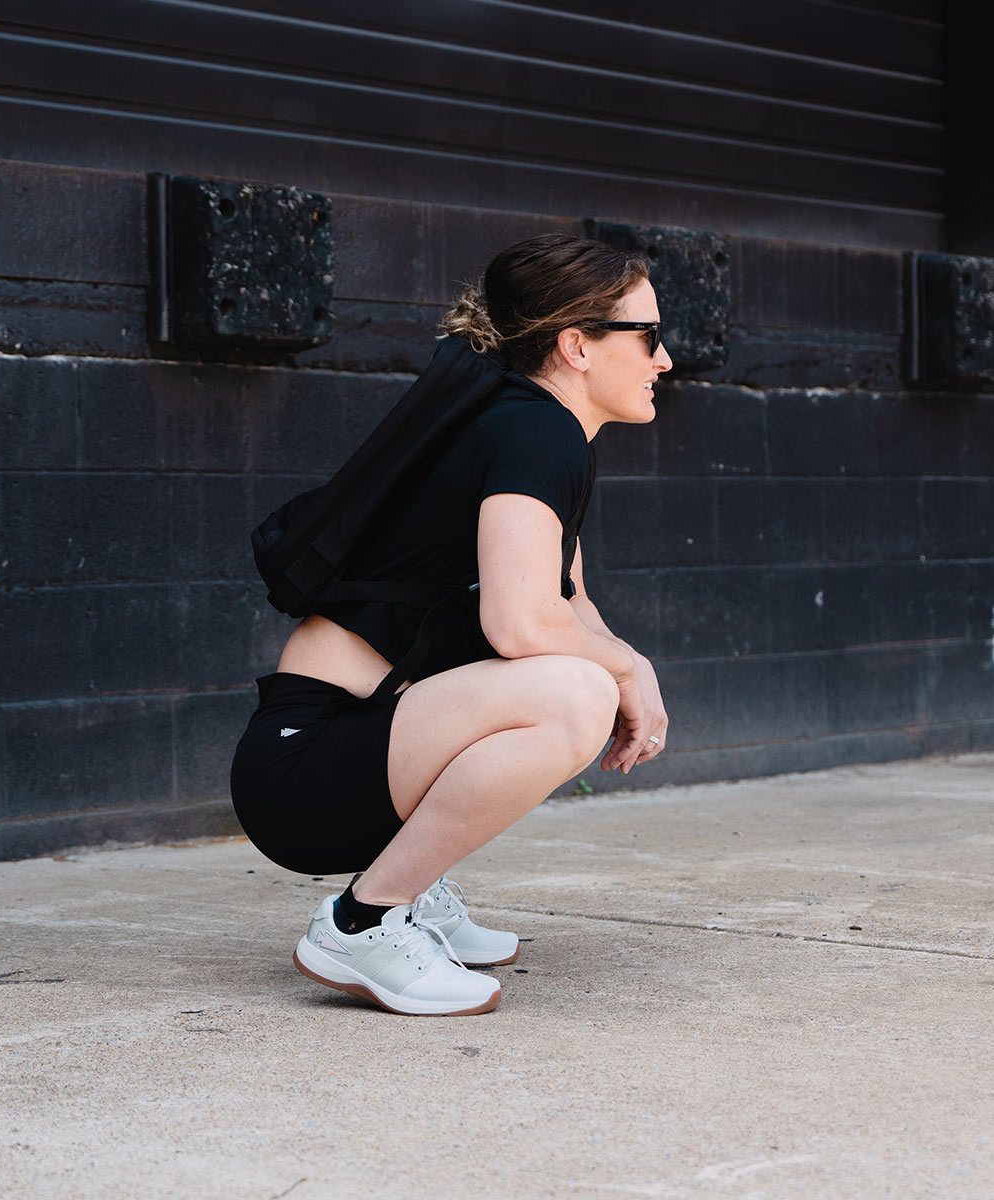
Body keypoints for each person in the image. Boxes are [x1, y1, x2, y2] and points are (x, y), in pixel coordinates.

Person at [231, 232, 672, 1016]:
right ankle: (362, 923)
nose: (663, 362)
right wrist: (628, 669)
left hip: (344, 748)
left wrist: (621, 660)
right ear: (576, 345)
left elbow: (567, 602)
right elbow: (519, 621)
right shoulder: (533, 431)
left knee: (579, 672)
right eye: (649, 338)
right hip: (305, 768)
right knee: (573, 694)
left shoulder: (531, 427)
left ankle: (416, 890)